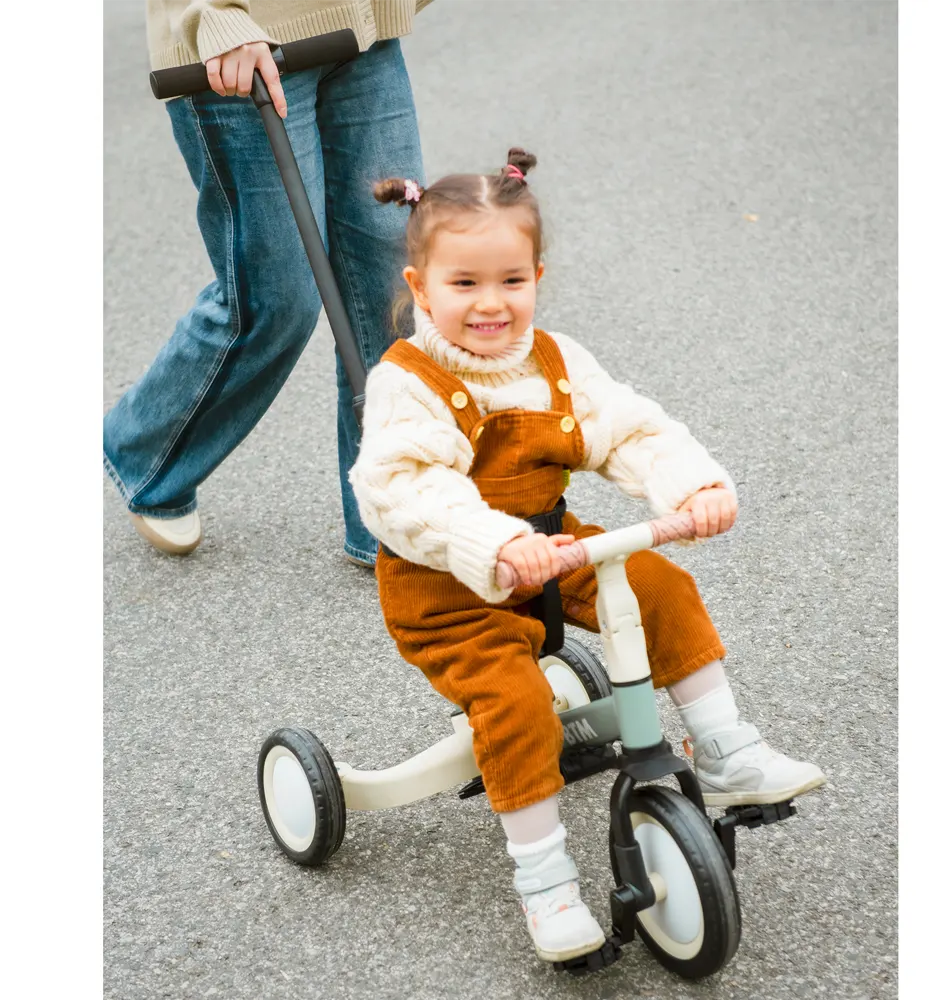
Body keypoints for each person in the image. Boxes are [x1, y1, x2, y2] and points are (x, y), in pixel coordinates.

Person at [349, 149, 827, 964]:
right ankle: (545, 882)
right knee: (515, 704)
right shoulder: (409, 383)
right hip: (447, 588)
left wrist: (692, 486)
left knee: (656, 584)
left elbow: (630, 429)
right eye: (464, 283)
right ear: (420, 287)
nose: (491, 303)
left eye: (511, 280)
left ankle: (725, 749)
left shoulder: (556, 360)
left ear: (537, 276)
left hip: (556, 546)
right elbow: (403, 489)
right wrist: (497, 542)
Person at [104, 2, 432, 564]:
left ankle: (385, 520)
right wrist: (212, 14)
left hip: (362, 28)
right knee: (276, 298)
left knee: (392, 285)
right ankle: (145, 450)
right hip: (241, 45)